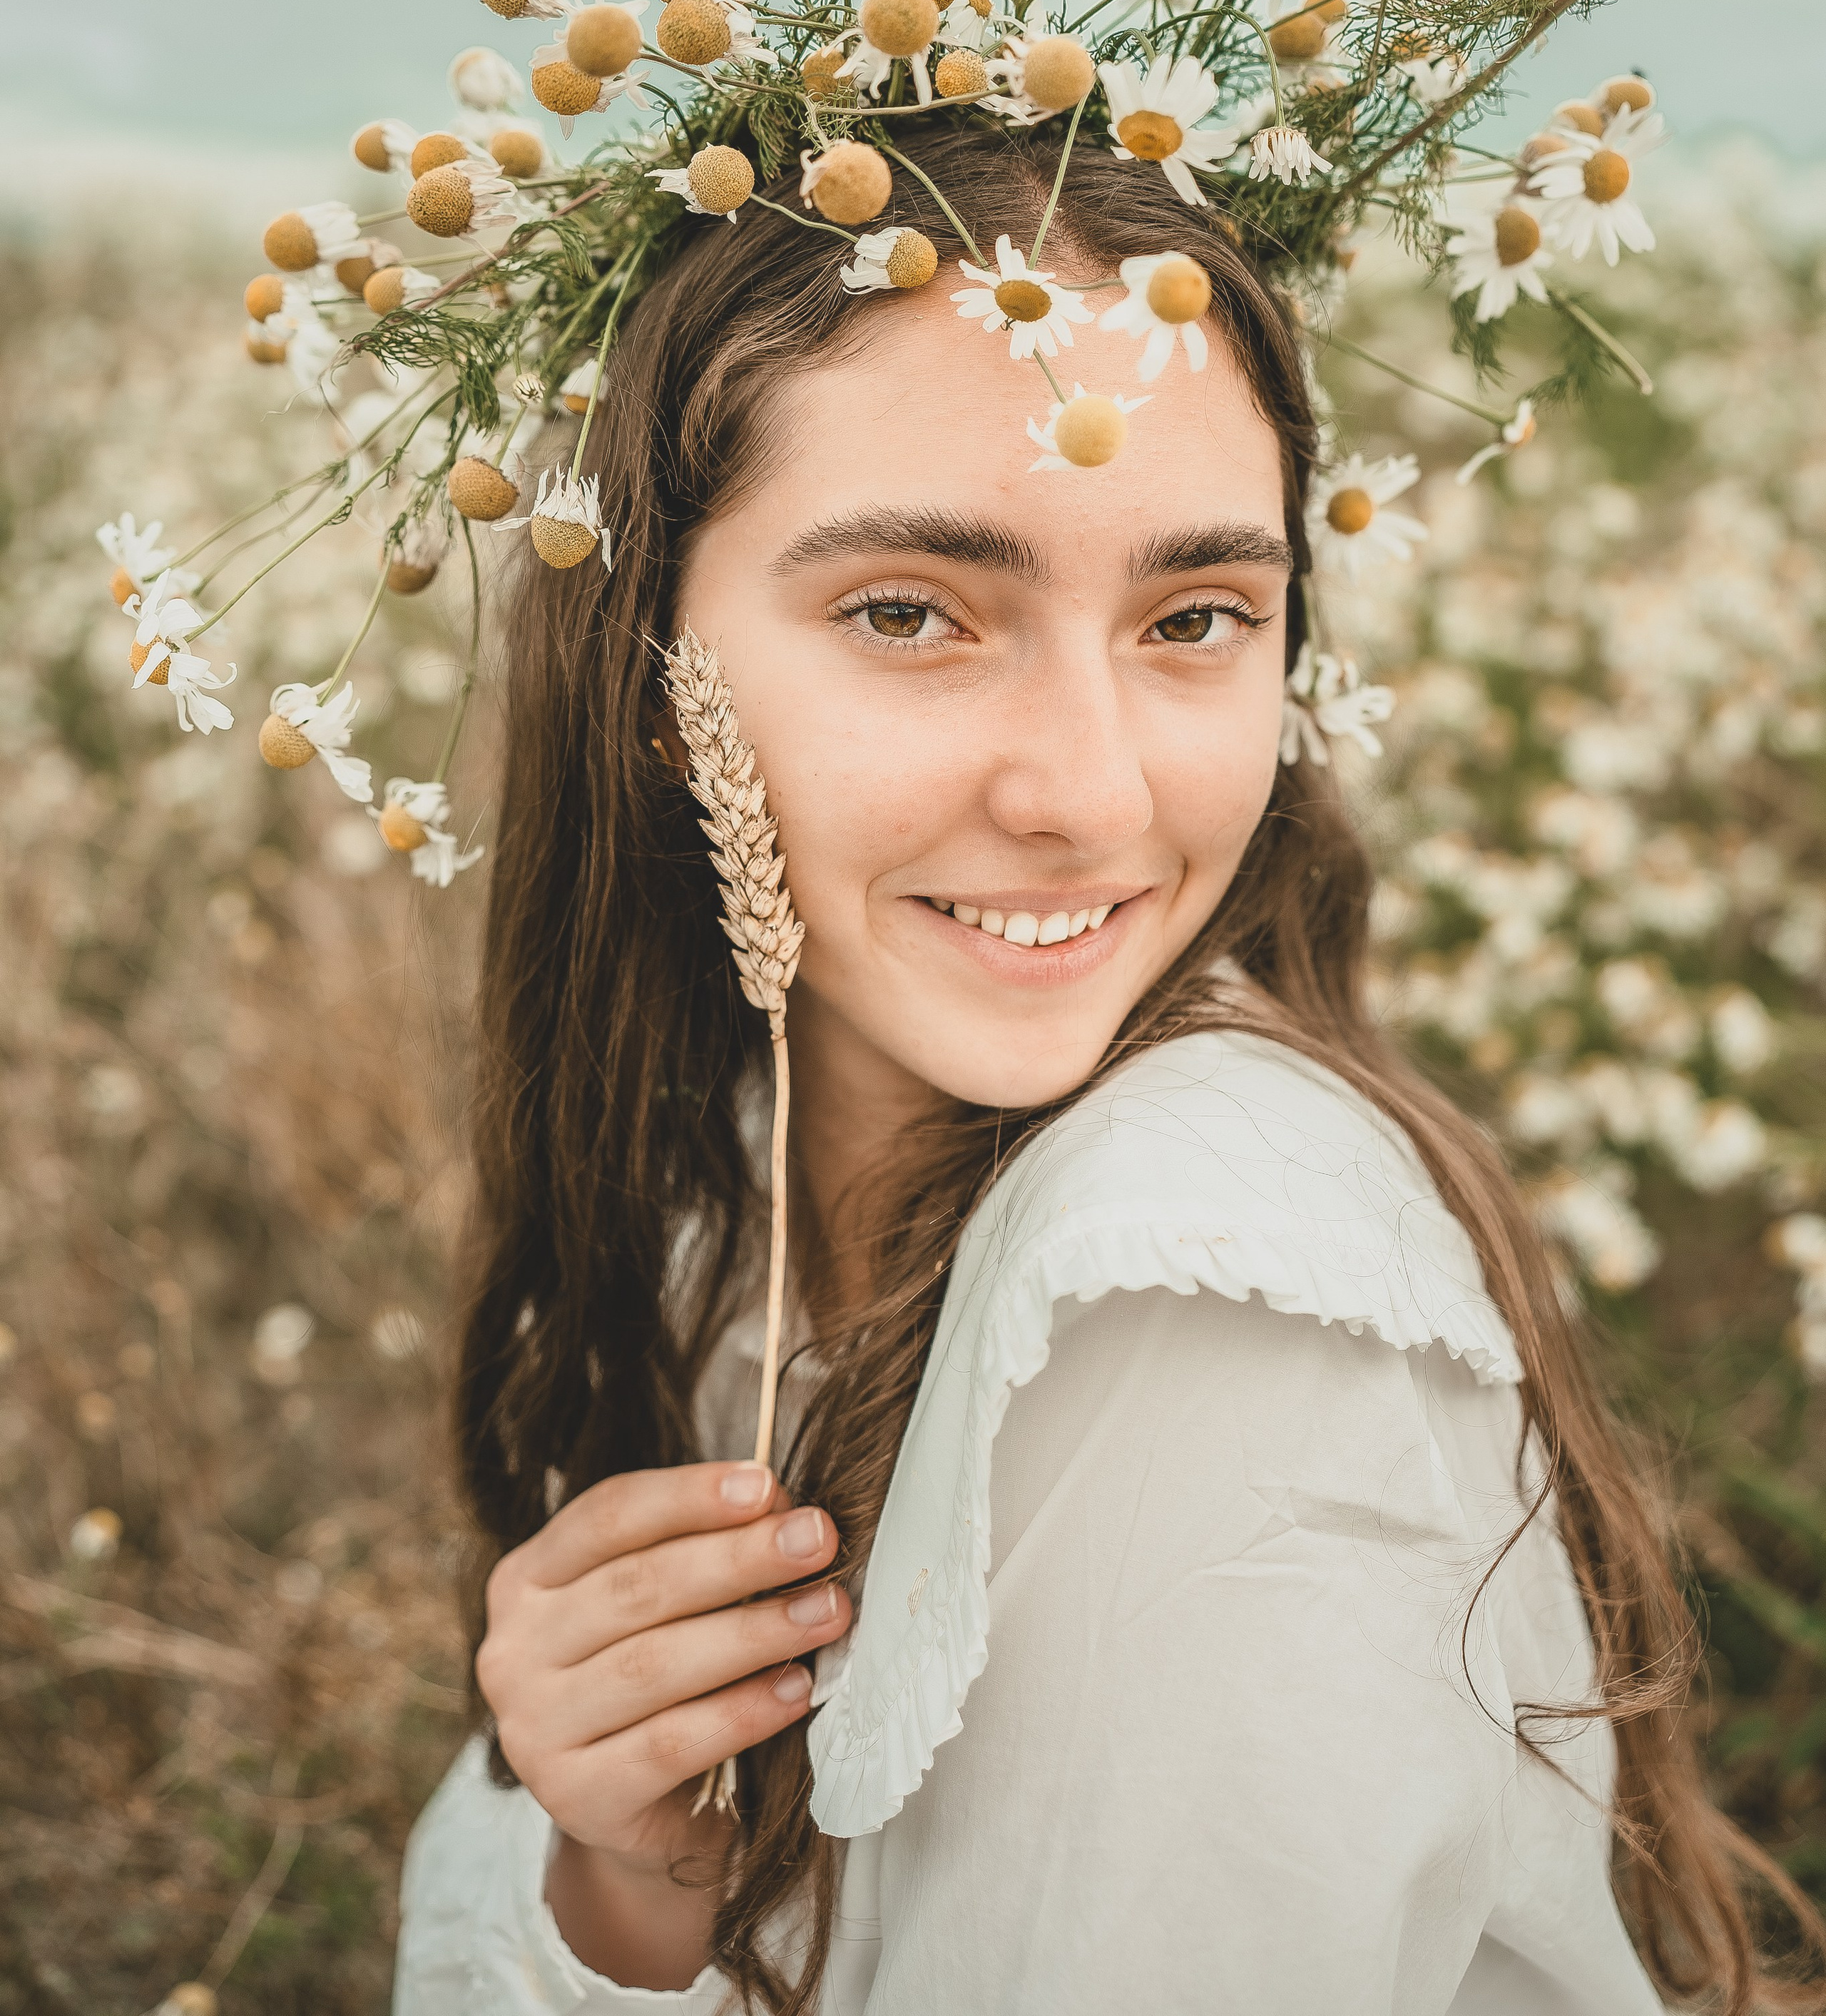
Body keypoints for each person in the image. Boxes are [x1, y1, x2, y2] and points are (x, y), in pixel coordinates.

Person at [391, 131, 1800, 2013]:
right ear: (653, 677)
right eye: (910, 613)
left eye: (1193, 618)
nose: (1093, 792)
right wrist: (637, 1890)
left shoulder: (1192, 1299)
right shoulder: (731, 1169)